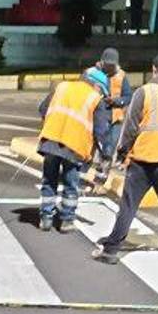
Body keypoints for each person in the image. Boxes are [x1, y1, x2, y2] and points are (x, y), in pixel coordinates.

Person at [93, 51, 158, 263]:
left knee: (129, 205)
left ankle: (111, 250)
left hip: (144, 162)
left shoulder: (145, 92)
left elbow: (130, 127)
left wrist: (122, 152)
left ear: (153, 69)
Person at [37, 64, 114, 233]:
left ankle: (45, 218)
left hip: (50, 140)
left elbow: (42, 109)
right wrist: (106, 155)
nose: (101, 94)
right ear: (96, 85)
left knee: (49, 180)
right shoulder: (94, 98)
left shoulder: (62, 87)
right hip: (74, 146)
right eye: (102, 90)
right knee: (71, 184)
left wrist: (52, 123)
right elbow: (102, 132)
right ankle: (66, 220)